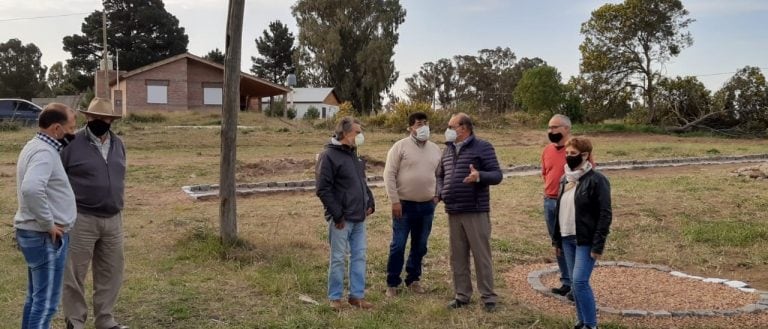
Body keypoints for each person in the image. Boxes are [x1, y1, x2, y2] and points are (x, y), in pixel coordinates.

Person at [61, 98, 128, 329]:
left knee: (111, 271)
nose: (100, 121)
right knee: (74, 273)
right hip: (81, 218)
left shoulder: (119, 144)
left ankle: (106, 320)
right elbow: (56, 179)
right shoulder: (70, 143)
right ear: (87, 117)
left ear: (111, 120)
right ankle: (75, 321)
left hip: (113, 219)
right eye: (95, 117)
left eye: (105, 118)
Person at [14, 103, 77, 328]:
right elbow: (31, 188)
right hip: (44, 236)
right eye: (71, 128)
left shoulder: (35, 146)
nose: (73, 133)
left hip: (34, 233)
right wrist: (49, 224)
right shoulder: (44, 152)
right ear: (56, 129)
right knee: (46, 304)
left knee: (35, 299)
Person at [436, 112, 503, 312]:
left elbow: (497, 175)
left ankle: (488, 297)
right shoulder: (447, 150)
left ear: (463, 128)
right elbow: (439, 175)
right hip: (453, 210)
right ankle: (462, 295)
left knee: (481, 255)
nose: (447, 130)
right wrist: (440, 192)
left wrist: (479, 175)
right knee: (457, 256)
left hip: (475, 210)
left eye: (451, 126)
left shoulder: (483, 147)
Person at [315, 116, 375, 310]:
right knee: (338, 258)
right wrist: (337, 215)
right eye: (357, 132)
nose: (360, 136)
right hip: (342, 219)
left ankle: (356, 296)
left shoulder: (354, 154)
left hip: (359, 217)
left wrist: (370, 201)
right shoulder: (328, 156)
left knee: (359, 256)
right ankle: (335, 297)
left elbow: (361, 182)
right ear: (345, 133)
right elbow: (323, 189)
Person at [552, 137, 612, 329]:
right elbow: (559, 210)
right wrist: (557, 241)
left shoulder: (597, 180)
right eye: (567, 153)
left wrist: (598, 245)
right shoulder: (565, 179)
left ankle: (591, 325)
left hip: (584, 239)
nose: (569, 157)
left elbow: (605, 214)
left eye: (573, 154)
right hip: (566, 237)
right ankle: (582, 321)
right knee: (574, 284)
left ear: (585, 155)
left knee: (579, 281)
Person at [383, 112, 442, 297]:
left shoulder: (435, 149)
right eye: (418, 124)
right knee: (398, 245)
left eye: (425, 123)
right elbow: (389, 174)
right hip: (404, 206)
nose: (423, 127)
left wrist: (437, 195)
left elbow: (440, 174)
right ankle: (392, 283)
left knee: (420, 245)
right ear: (410, 128)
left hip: (426, 207)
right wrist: (394, 200)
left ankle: (413, 279)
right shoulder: (399, 147)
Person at [541, 114, 573, 299]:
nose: (550, 131)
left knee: (570, 241)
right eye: (549, 127)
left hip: (568, 203)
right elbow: (545, 173)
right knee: (558, 243)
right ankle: (566, 281)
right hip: (550, 201)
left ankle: (576, 284)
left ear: (567, 129)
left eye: (555, 127)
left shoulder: (575, 149)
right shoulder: (547, 150)